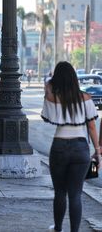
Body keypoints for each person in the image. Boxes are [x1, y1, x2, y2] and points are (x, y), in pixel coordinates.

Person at [41, 61, 101, 232]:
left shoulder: (52, 97)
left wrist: (50, 83)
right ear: (75, 78)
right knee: (76, 194)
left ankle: (58, 228)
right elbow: (91, 127)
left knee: (60, 192)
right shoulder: (86, 98)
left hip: (59, 146)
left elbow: (47, 110)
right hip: (81, 147)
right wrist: (97, 152)